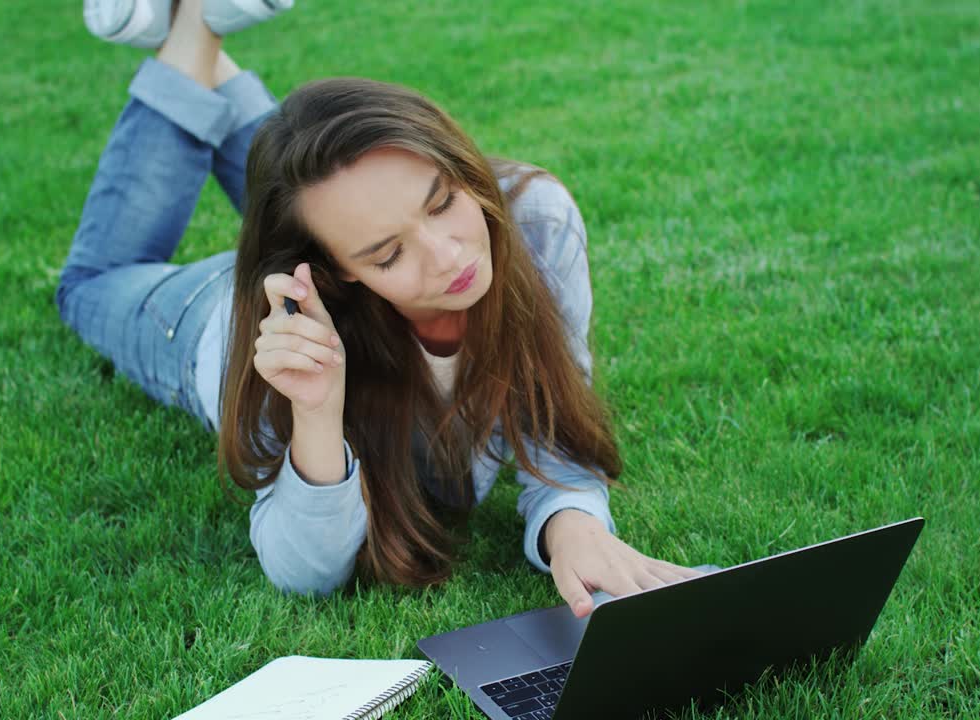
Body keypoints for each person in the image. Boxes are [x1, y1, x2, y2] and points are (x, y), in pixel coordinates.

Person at [59, 0, 711, 619]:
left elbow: (554, 423)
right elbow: (306, 574)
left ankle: (192, 26)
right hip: (206, 318)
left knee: (312, 168)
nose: (447, 255)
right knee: (88, 284)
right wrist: (315, 412)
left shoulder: (531, 221)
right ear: (342, 271)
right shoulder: (272, 339)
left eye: (440, 201)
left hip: (331, 225)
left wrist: (573, 527)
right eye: (388, 254)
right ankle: (194, 33)